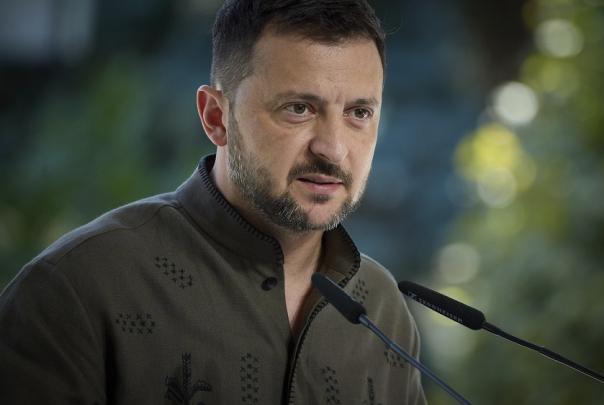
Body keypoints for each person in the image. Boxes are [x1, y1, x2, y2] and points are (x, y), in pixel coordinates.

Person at [0, 0, 426, 403]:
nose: (333, 148)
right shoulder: (78, 287)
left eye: (359, 113)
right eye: (298, 108)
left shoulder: (383, 308)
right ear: (216, 117)